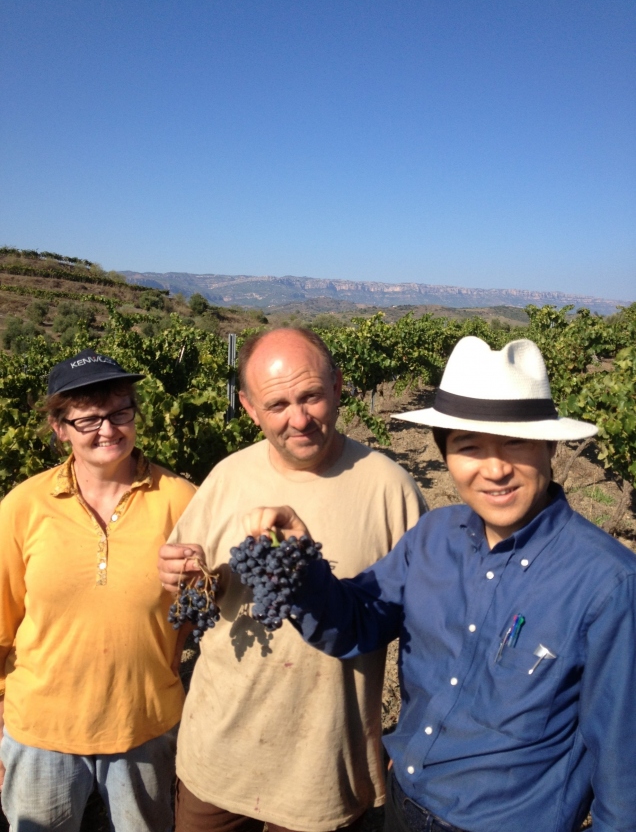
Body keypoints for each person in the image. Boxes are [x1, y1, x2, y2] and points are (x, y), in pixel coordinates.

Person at [247, 336, 636, 832]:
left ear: (551, 448)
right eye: (469, 446)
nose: (494, 470)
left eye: (516, 442)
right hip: (406, 807)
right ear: (446, 455)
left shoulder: (608, 584)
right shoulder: (433, 536)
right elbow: (354, 625)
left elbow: (625, 776)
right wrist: (302, 567)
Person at [158, 327, 426, 832]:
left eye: (311, 397)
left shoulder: (390, 488)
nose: (298, 419)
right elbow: (195, 595)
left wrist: (414, 737)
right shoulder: (226, 477)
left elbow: (425, 631)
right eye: (277, 404)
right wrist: (182, 576)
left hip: (322, 771)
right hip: (217, 755)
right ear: (249, 407)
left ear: (338, 386)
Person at [0, 348, 196, 832]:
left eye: (119, 413)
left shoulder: (182, 499)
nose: (107, 430)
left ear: (135, 415)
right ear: (60, 428)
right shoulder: (23, 506)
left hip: (145, 726)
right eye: (87, 420)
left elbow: (199, 611)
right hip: (39, 730)